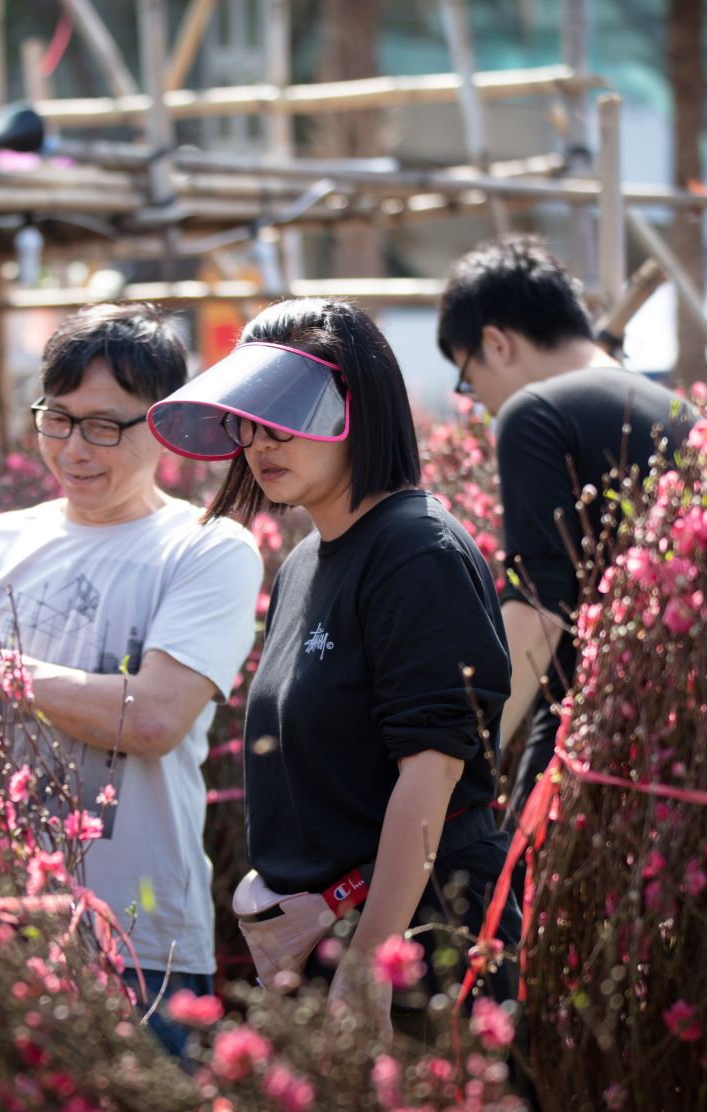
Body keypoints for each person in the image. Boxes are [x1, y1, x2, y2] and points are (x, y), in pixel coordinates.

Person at [0, 303, 265, 1057]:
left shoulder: (206, 548)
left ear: (161, 426)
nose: (73, 449)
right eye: (55, 420)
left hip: (137, 938)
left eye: (103, 426)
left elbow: (154, 718)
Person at [148, 297, 515, 1041]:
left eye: (288, 411)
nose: (259, 440)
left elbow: (434, 769)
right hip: (324, 945)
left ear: (361, 405)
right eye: (246, 417)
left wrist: (369, 958)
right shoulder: (306, 560)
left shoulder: (417, 549)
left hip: (417, 944)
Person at [437, 236, 696, 824]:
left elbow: (538, 609)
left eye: (467, 379)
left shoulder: (537, 412)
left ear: (496, 343)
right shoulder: (679, 410)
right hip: (685, 742)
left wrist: (456, 765)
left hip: (592, 746)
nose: (478, 403)